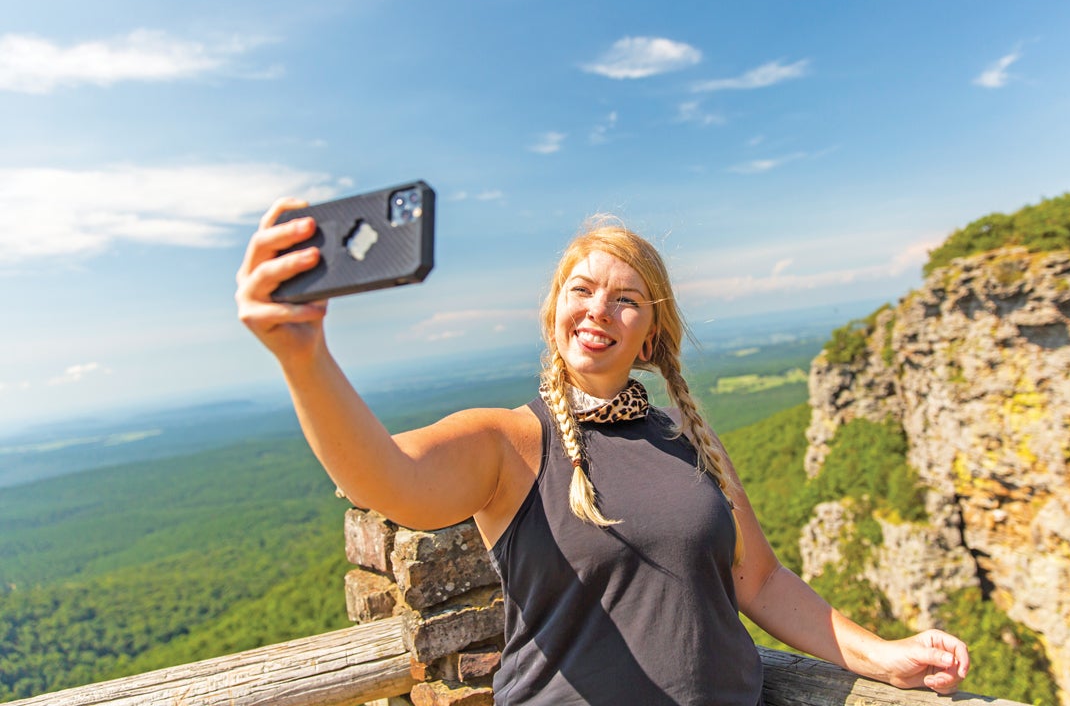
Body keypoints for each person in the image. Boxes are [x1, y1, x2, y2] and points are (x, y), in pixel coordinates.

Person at [236, 200, 971, 705]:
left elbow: (762, 582)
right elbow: (387, 479)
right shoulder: (511, 441)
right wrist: (304, 359)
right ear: (555, 313)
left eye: (625, 299)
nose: (598, 309)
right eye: (581, 290)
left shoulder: (690, 443)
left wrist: (884, 655)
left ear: (647, 336)